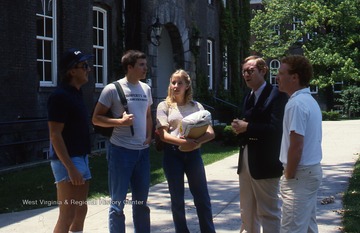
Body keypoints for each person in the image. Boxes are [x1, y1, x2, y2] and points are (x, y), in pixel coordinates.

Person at [92, 50, 153, 233]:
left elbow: (148, 115)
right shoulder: (112, 89)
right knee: (117, 204)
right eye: (141, 65)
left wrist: (149, 136)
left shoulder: (146, 88)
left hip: (142, 153)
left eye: (145, 64)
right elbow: (96, 118)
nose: (145, 68)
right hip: (120, 151)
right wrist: (120, 122)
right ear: (130, 67)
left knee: (141, 203)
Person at [231, 55, 288, 233]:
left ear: (263, 71)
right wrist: (238, 128)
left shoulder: (277, 95)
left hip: (266, 162)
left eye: (250, 71)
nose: (246, 75)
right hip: (246, 160)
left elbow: (276, 129)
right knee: (247, 211)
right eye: (244, 72)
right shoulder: (247, 96)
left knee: (268, 212)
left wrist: (247, 127)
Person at [156, 69, 216, 233]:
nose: (175, 86)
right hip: (172, 155)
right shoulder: (164, 106)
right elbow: (163, 135)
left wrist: (194, 142)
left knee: (202, 197)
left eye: (179, 83)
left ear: (187, 85)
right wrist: (183, 142)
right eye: (173, 82)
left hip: (193, 155)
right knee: (177, 199)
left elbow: (210, 133)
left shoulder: (197, 107)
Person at [47, 48, 93, 233]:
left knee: (80, 210)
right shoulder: (59, 96)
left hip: (81, 157)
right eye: (84, 66)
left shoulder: (76, 93)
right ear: (72, 71)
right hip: (68, 162)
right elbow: (55, 135)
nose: (88, 69)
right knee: (67, 215)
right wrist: (71, 168)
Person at [276, 55, 323, 233]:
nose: (277, 77)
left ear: (294, 77)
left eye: (281, 73)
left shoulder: (296, 104)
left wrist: (289, 175)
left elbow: (297, 146)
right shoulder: (309, 101)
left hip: (299, 175)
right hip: (309, 173)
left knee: (292, 229)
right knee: (308, 227)